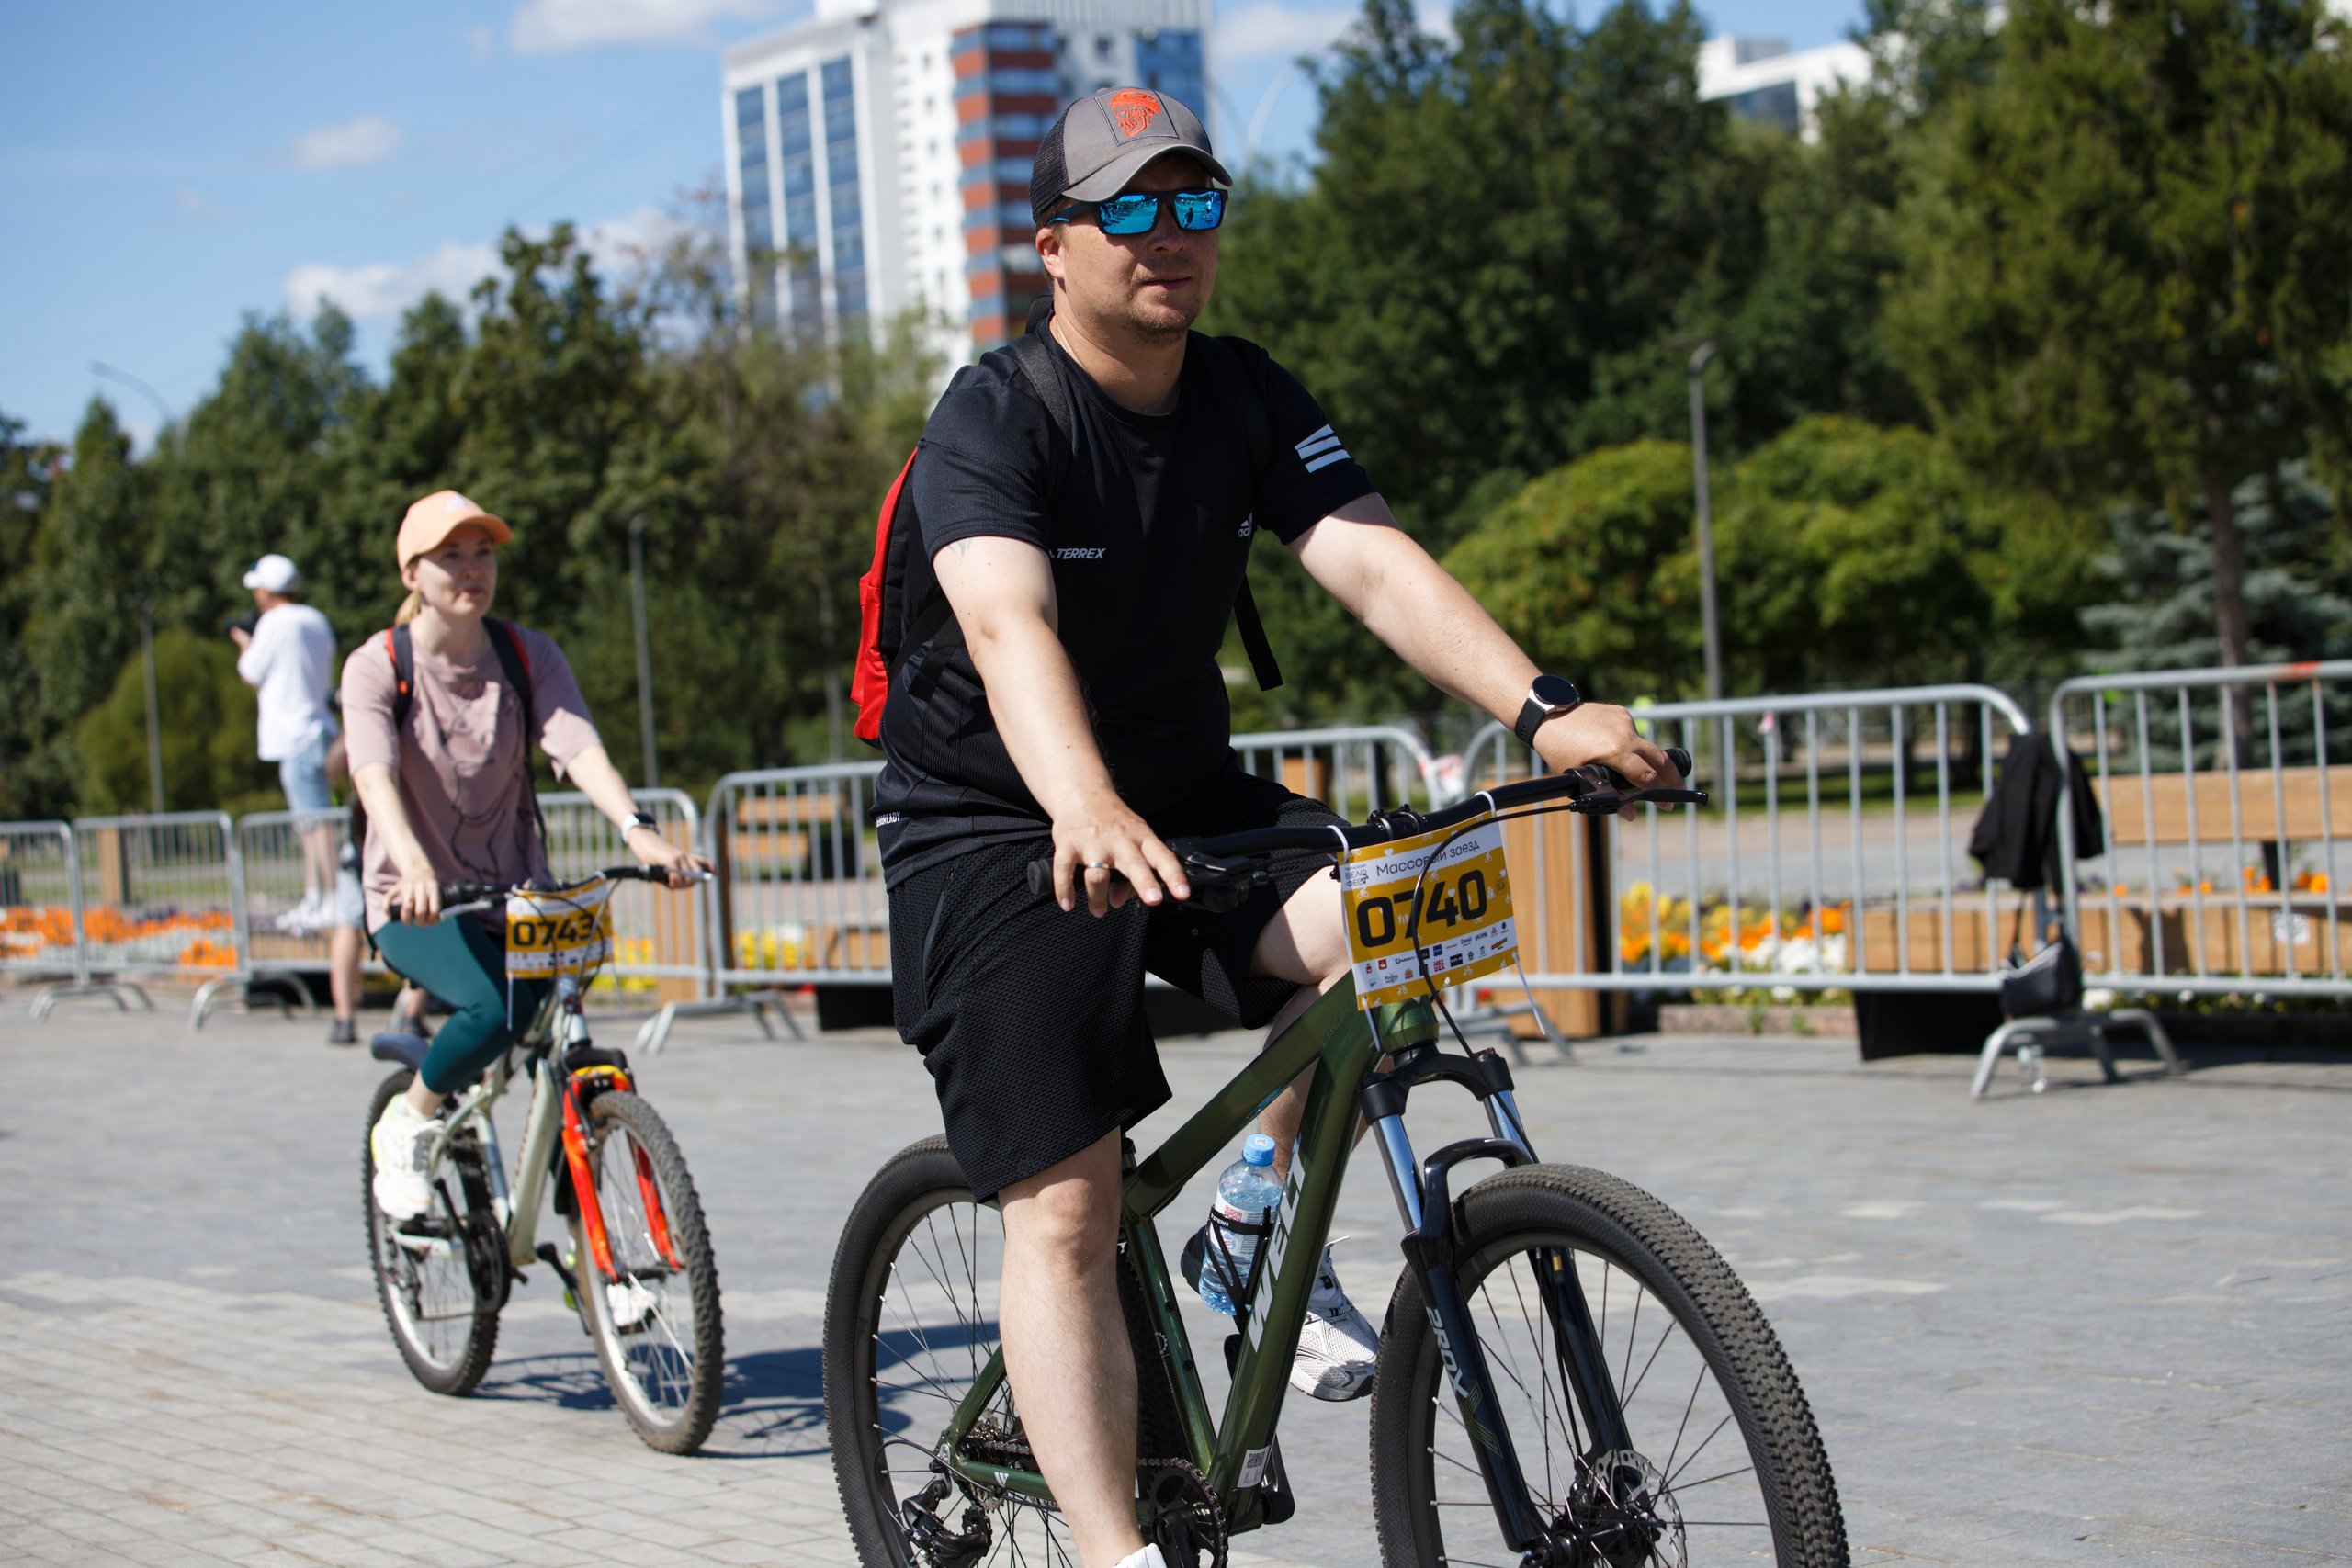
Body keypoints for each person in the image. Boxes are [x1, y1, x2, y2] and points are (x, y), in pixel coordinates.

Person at [876, 88, 1679, 1568]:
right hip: (994, 821)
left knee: (1383, 920)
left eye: (1194, 204)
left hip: (1186, 798)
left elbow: (1370, 560)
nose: (1169, 236)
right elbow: (1004, 620)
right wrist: (1081, 795)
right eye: (1130, 208)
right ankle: (1117, 1549)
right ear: (1054, 245)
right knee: (1066, 1202)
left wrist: (1544, 708)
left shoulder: (1245, 392)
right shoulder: (995, 414)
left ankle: (1249, 1212)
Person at [353, 491, 709, 1220]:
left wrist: (637, 829)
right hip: (415, 899)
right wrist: (413, 866)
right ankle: (411, 1120)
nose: (472, 568)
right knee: (490, 1009)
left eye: (483, 552)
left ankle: (583, 1241)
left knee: (561, 1032)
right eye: (450, 555)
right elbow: (373, 773)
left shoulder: (525, 654)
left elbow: (577, 745)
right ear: (412, 572)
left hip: (518, 894)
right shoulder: (378, 665)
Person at [229, 553, 340, 934]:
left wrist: (245, 643)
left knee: (314, 823)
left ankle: (328, 900)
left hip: (296, 735)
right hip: (321, 728)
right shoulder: (315, 619)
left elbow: (250, 672)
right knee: (315, 819)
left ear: (265, 591)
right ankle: (316, 898)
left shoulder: (274, 622)